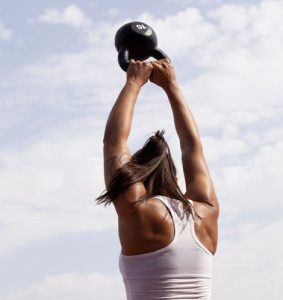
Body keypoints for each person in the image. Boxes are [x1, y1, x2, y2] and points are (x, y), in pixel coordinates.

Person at [96, 59, 219, 299]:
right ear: (174, 177)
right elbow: (192, 147)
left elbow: (113, 142)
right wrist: (171, 85)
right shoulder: (207, 211)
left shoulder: (137, 208)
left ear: (136, 179)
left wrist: (134, 82)